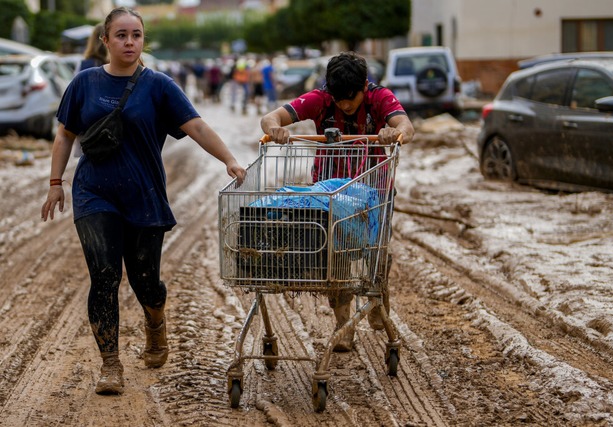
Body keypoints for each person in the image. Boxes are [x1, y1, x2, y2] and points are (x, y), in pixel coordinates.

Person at [40, 7, 246, 396]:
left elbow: (196, 125)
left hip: (144, 195)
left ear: (143, 40)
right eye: (120, 35)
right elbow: (65, 134)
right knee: (104, 277)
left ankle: (155, 321)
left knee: (145, 281)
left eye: (136, 35)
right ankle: (111, 365)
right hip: (94, 192)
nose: (129, 42)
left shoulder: (159, 85)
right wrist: (56, 182)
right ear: (105, 41)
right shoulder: (84, 83)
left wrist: (229, 159)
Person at [260, 51, 414, 352]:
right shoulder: (320, 99)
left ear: (364, 88)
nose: (343, 105)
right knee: (336, 254)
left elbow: (406, 126)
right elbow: (271, 116)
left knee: (375, 251)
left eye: (350, 100)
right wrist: (274, 128)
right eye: (338, 98)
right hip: (330, 190)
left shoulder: (379, 98)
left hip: (373, 189)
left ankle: (378, 293)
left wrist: (395, 132)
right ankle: (343, 325)